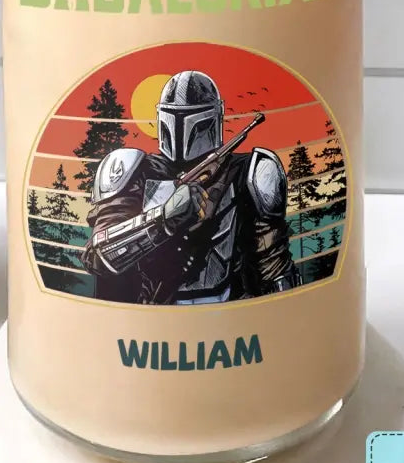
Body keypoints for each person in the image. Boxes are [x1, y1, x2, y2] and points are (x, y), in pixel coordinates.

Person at [82, 70, 300, 304]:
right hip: (154, 311)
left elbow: (272, 263)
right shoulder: (135, 171)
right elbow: (98, 256)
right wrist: (163, 219)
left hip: (232, 310)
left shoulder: (251, 171)